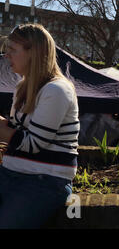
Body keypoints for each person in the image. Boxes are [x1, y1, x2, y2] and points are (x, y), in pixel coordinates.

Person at [0, 24, 79, 228]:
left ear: (33, 53)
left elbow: (34, 143)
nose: (7, 55)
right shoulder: (22, 86)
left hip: (44, 181)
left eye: (12, 50)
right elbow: (19, 129)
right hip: (10, 173)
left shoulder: (57, 90)